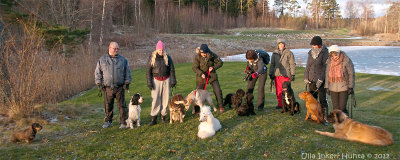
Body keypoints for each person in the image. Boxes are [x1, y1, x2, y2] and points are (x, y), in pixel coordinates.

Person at [95, 42, 131, 129]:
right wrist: (98, 83)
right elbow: (97, 72)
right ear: (109, 48)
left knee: (122, 106)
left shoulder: (123, 60)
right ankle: (108, 121)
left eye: (117, 49)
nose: (116, 50)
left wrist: (127, 82)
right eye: (115, 49)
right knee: (108, 105)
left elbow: (127, 72)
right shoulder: (102, 60)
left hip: (119, 87)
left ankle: (123, 122)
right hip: (107, 87)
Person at [146, 40, 176, 126]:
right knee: (155, 99)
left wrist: (173, 80)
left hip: (166, 80)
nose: (161, 51)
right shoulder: (152, 58)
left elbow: (172, 69)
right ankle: (153, 118)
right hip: (156, 81)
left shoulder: (168, 57)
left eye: (162, 50)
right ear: (156, 50)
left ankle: (163, 117)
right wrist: (149, 82)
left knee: (165, 99)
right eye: (159, 50)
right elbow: (148, 71)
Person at [304, 36, 329, 125]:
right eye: (312, 45)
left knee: (322, 99)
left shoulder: (325, 53)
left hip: (321, 80)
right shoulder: (310, 53)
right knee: (312, 99)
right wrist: (306, 77)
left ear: (319, 45)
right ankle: (313, 115)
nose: (313, 46)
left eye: (315, 45)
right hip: (311, 79)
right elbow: (308, 66)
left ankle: (325, 118)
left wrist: (321, 79)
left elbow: (325, 67)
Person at [192, 44, 224, 113]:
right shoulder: (197, 57)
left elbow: (220, 62)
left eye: (204, 53)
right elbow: (194, 68)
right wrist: (201, 74)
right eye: (202, 53)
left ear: (207, 51)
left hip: (212, 76)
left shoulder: (212, 55)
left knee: (218, 90)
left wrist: (213, 68)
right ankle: (197, 110)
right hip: (201, 78)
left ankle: (221, 106)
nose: (203, 54)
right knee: (198, 94)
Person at [325, 45, 355, 115]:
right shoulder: (329, 62)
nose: (334, 57)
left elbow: (351, 73)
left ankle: (345, 123)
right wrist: (326, 87)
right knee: (335, 108)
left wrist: (351, 87)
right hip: (333, 87)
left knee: (342, 108)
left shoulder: (346, 60)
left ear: (339, 53)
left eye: (336, 55)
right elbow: (327, 75)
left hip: (344, 87)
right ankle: (337, 124)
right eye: (332, 55)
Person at [269, 39, 296, 109]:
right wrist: (270, 72)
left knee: (286, 90)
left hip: (286, 74)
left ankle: (288, 104)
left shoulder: (289, 53)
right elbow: (272, 64)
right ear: (278, 45)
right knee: (278, 90)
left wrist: (293, 74)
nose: (281, 45)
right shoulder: (274, 53)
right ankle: (280, 104)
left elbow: (292, 64)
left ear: (284, 45)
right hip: (277, 74)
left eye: (282, 44)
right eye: (279, 44)